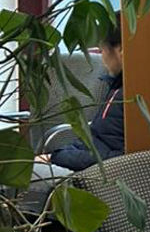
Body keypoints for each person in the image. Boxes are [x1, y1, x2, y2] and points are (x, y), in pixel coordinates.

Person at [33, 16, 125, 175]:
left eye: (102, 50)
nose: (102, 59)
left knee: (29, 174)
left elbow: (112, 157)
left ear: (120, 51)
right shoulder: (117, 88)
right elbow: (98, 140)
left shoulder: (124, 95)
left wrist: (55, 158)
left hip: (101, 175)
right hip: (88, 161)